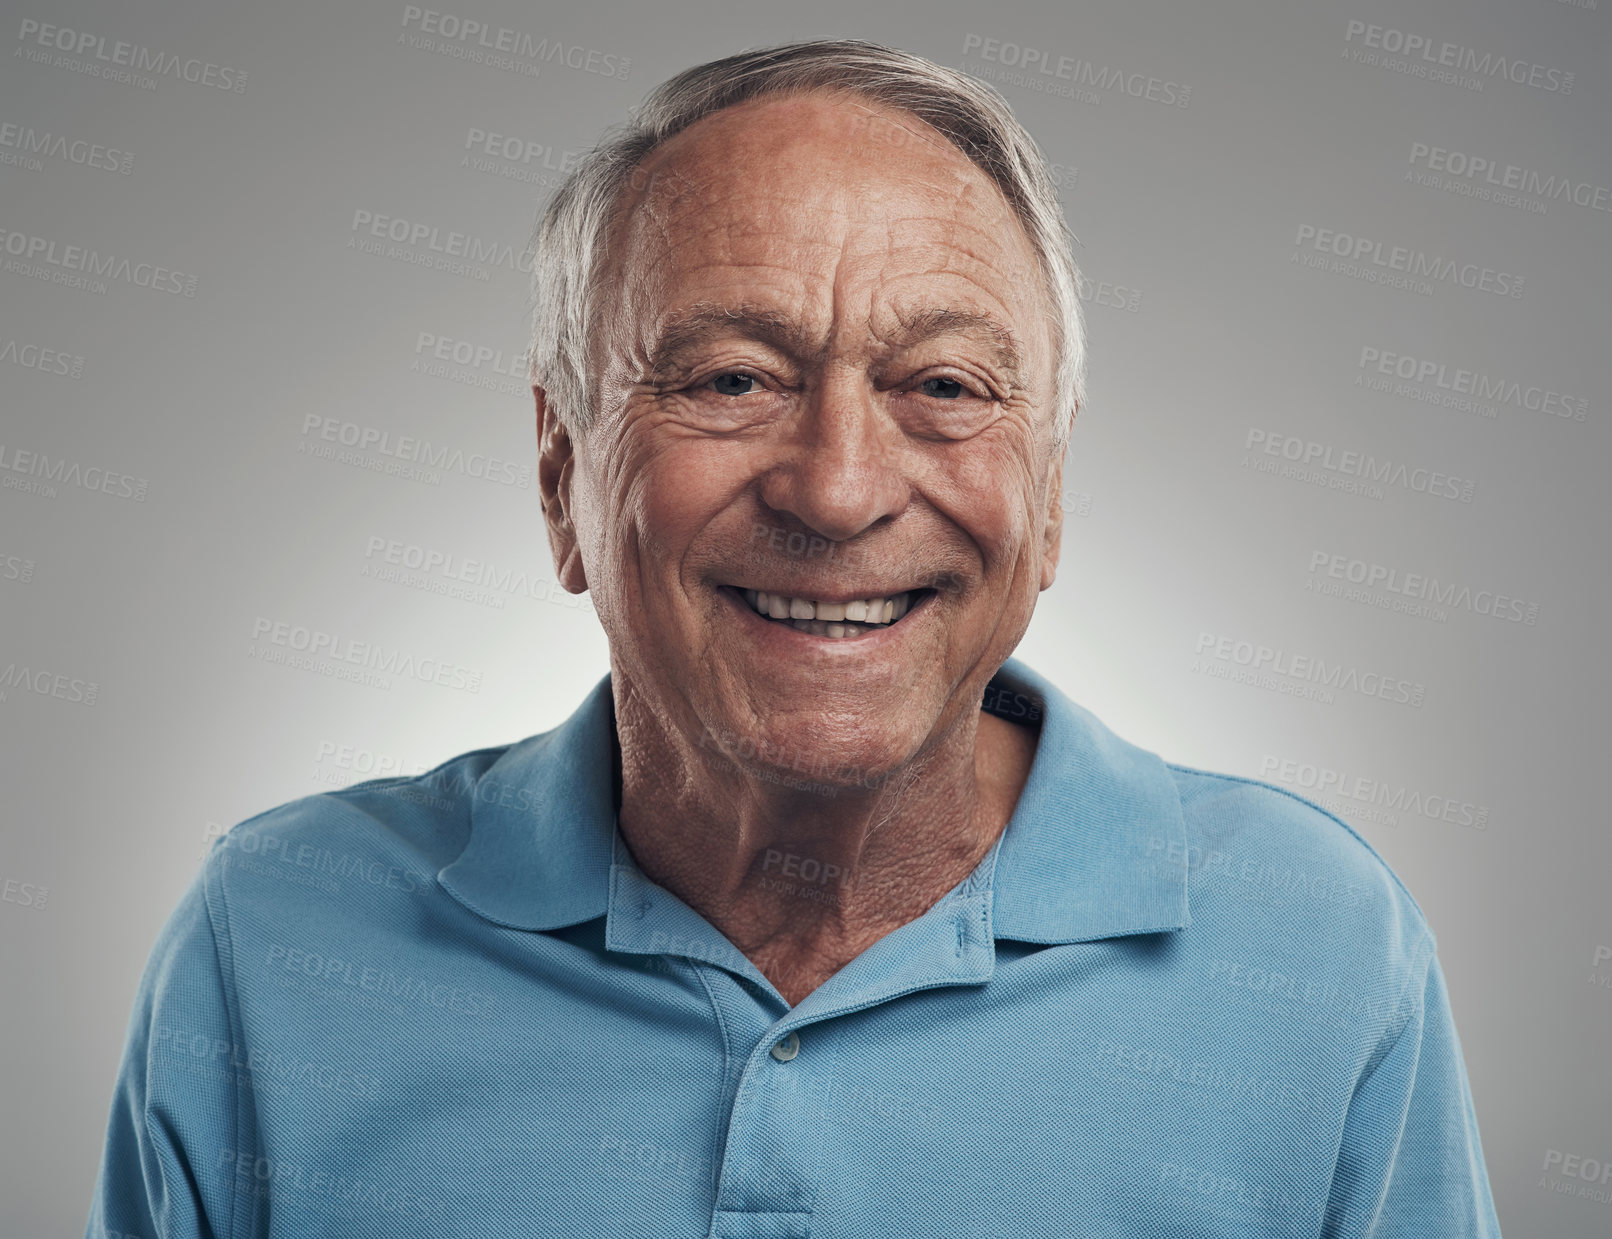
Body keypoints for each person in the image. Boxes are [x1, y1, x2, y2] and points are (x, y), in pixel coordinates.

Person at [87, 40, 1502, 1237]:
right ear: (559, 473)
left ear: (1051, 494)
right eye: (730, 377)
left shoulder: (1318, 949)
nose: (837, 488)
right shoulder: (273, 943)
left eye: (944, 383)